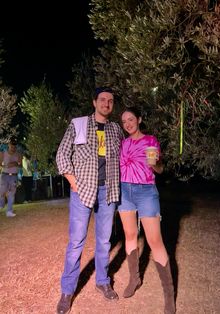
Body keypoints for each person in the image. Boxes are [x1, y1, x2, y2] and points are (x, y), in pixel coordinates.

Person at [55, 87, 124, 314]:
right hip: (82, 191)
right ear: (94, 102)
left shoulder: (115, 129)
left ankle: (102, 281)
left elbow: (126, 158)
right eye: (102, 99)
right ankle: (67, 291)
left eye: (110, 101)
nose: (106, 103)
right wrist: (73, 182)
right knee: (76, 242)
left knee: (104, 241)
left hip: (108, 192)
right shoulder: (79, 124)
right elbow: (62, 154)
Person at [118, 107, 175, 314]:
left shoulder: (151, 140)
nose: (128, 124)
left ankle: (169, 295)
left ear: (139, 119)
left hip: (146, 192)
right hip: (124, 190)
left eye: (131, 119)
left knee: (154, 241)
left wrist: (155, 164)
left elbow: (160, 169)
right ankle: (135, 279)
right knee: (130, 234)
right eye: (124, 121)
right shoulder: (122, 144)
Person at [0, 138, 22, 217]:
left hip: (13, 176)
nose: (13, 147)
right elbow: (0, 164)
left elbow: (21, 165)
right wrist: (5, 165)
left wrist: (16, 163)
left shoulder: (18, 154)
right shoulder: (3, 153)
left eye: (15, 145)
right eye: (12, 145)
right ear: (9, 145)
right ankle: (1, 204)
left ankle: (9, 211)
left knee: (11, 194)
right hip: (4, 175)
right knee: (2, 192)